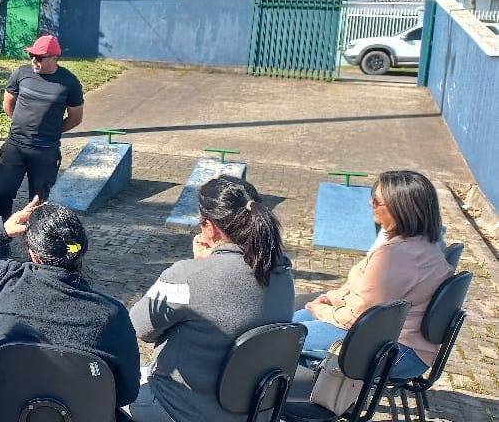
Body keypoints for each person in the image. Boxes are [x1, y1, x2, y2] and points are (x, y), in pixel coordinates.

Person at [0, 199, 140, 422]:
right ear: (80, 252)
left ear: (33, 254)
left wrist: (0, 230)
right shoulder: (112, 314)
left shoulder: (3, 282)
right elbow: (127, 393)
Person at [129, 176, 294, 422]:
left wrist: (200, 265)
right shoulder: (283, 273)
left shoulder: (186, 276)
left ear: (211, 228)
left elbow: (139, 326)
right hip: (251, 412)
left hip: (179, 409)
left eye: (200, 222)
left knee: (107, 396)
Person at [293, 170, 453, 379]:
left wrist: (321, 310)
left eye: (377, 201)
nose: (371, 204)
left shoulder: (396, 256)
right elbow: (364, 296)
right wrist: (332, 299)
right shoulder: (423, 244)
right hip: (389, 339)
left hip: (393, 349)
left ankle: (294, 400)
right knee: (285, 325)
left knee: (280, 342)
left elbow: (356, 317)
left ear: (401, 209)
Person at [0, 34, 83, 255]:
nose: (34, 60)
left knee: (38, 202)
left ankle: (37, 247)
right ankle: (0, 242)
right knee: (2, 193)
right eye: (32, 55)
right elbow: (8, 104)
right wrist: (23, 127)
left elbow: (75, 117)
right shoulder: (21, 74)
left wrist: (50, 132)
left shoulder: (69, 82)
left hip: (45, 152)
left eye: (39, 57)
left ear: (54, 58)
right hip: (15, 146)